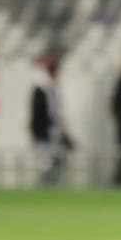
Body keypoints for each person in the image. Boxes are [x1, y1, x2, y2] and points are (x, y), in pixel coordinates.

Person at [30, 54, 72, 185]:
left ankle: (53, 184)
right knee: (44, 162)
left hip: (54, 132)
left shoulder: (55, 89)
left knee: (54, 160)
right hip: (43, 132)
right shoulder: (41, 89)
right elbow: (38, 113)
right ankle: (43, 186)